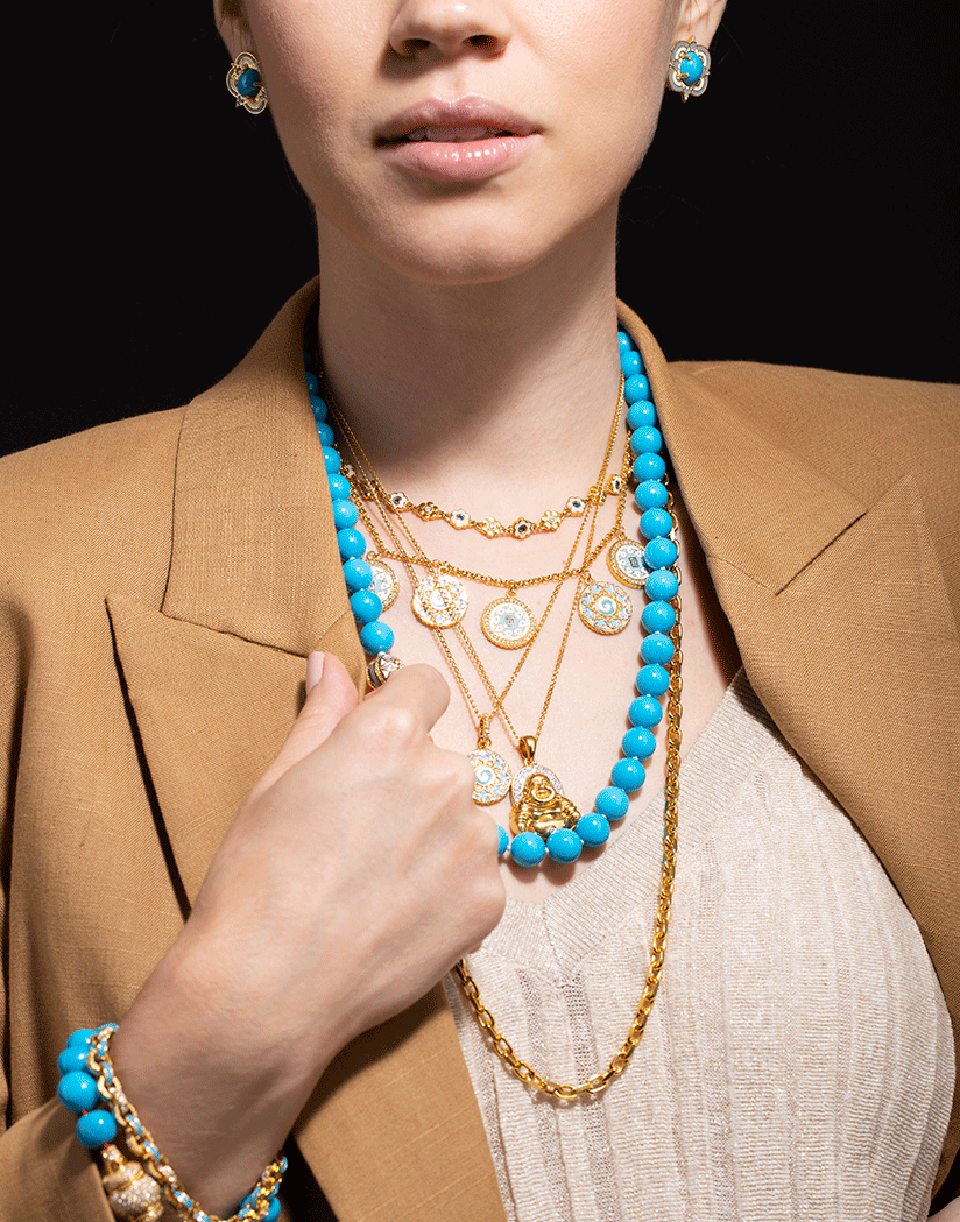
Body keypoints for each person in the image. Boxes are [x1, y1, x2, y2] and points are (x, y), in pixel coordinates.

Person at [1, 0, 957, 1219]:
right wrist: (223, 1037)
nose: (445, 16)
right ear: (237, 19)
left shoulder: (936, 486)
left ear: (697, 5)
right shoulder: (24, 577)